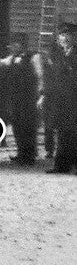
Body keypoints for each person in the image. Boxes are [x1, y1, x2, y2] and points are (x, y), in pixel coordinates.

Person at [0, 34, 43, 165]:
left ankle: (30, 155)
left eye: (16, 44)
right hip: (16, 99)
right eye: (12, 44)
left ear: (22, 45)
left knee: (28, 126)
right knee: (17, 126)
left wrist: (40, 94)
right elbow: (1, 63)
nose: (13, 46)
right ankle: (21, 153)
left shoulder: (34, 57)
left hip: (29, 98)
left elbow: (40, 75)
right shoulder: (12, 58)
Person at [45, 23, 77, 174]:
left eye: (67, 35)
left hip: (74, 100)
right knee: (63, 133)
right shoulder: (57, 56)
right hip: (61, 100)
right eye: (61, 35)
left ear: (74, 38)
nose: (64, 38)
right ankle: (62, 166)